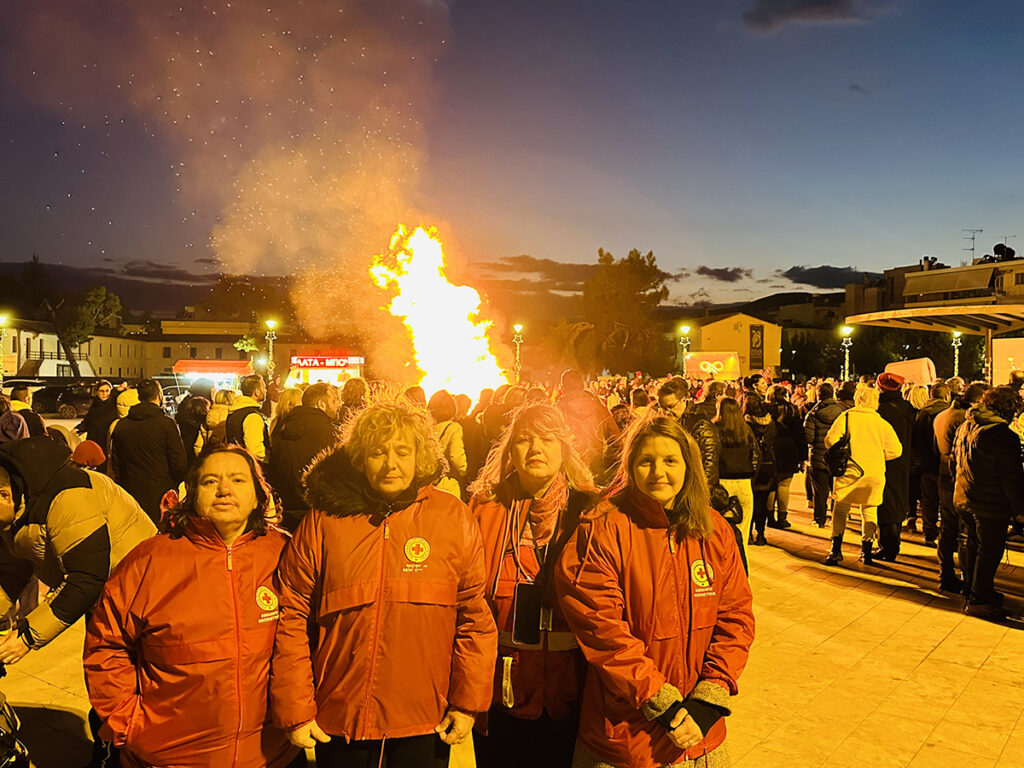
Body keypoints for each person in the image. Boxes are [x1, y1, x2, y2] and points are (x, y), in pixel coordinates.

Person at [269, 399, 497, 767]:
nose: (391, 463)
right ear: (360, 458)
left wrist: (468, 703)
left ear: (419, 455)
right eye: (378, 452)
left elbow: (474, 616)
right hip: (340, 718)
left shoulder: (452, 516)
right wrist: (295, 707)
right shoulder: (326, 520)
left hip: (426, 718)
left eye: (402, 451)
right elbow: (291, 614)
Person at [555, 416, 754, 768]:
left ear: (688, 465)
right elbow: (601, 629)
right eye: (646, 461)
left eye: (670, 461)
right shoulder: (603, 529)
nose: (658, 472)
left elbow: (736, 616)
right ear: (631, 466)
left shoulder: (714, 529)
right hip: (625, 735)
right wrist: (661, 700)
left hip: (698, 735)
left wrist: (709, 698)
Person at [84, 446, 300, 767]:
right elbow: (106, 647)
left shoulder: (286, 553)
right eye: (211, 481)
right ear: (192, 494)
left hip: (270, 754)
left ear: (258, 496)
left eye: (238, 480)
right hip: (169, 756)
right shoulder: (150, 560)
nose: (224, 489)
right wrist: (128, 724)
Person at [469, 404, 598, 768]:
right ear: (510, 452)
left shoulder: (590, 511)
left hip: (571, 694)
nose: (535, 448)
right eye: (524, 440)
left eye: (546, 439)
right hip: (503, 691)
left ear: (564, 448)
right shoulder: (485, 510)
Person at [0, 436, 156, 659]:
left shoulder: (70, 497)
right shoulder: (14, 513)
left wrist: (27, 636)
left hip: (142, 597)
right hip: (104, 602)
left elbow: (86, 577)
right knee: (103, 675)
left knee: (129, 676)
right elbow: (10, 571)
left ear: (5, 495)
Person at [951, 386, 1024, 619]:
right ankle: (979, 600)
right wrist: (1020, 509)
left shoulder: (967, 425)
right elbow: (1011, 478)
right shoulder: (1003, 436)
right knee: (989, 551)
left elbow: (954, 461)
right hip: (990, 503)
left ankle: (973, 590)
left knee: (971, 545)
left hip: (964, 495)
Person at [823, 386, 902, 566]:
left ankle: (836, 550)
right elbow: (896, 450)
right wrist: (878, 456)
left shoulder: (847, 417)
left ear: (857, 398)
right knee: (869, 510)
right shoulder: (881, 423)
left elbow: (829, 441)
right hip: (874, 472)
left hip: (851, 470)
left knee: (841, 508)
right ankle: (866, 551)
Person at [934, 382, 988, 593]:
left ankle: (946, 573)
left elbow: (934, 447)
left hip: (942, 475)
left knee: (947, 530)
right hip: (958, 478)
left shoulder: (943, 415)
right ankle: (967, 580)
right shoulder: (965, 419)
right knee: (965, 533)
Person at [109, 379, 189, 523]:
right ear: (159, 395)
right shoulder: (166, 424)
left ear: (139, 397)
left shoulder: (122, 425)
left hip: (130, 492)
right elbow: (179, 462)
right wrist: (175, 483)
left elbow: (116, 463)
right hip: (161, 494)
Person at [268, 382, 341, 531]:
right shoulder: (327, 431)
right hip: (314, 510)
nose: (338, 405)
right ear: (321, 404)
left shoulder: (283, 426)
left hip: (285, 507)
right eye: (334, 401)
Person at [875, 373, 915, 561]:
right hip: (904, 461)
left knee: (884, 502)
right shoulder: (908, 408)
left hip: (883, 460)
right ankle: (894, 540)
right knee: (899, 499)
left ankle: (887, 545)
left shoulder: (879, 410)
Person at [556, 369, 621, 483]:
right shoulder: (598, 407)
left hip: (570, 468)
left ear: (563, 387)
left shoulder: (558, 410)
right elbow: (616, 437)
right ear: (582, 384)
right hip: (597, 465)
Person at [715, 397, 760, 544]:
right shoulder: (745, 430)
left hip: (721, 483)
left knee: (720, 532)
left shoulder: (715, 430)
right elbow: (756, 456)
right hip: (744, 482)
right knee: (743, 530)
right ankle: (742, 563)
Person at [909, 383, 950, 543]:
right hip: (944, 463)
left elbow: (916, 439)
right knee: (945, 501)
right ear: (946, 396)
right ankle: (946, 532)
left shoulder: (922, 414)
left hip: (926, 464)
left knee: (928, 499)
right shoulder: (949, 413)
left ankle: (929, 530)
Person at [803, 382, 847, 528]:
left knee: (820, 491)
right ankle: (837, 518)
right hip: (838, 456)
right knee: (837, 490)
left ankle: (819, 519)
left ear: (818, 395)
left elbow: (808, 437)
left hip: (818, 456)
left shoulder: (812, 414)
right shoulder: (843, 412)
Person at [767, 385, 805, 529]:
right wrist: (802, 455)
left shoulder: (767, 409)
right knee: (784, 485)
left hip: (771, 447)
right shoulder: (792, 409)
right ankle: (782, 517)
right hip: (789, 448)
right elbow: (799, 433)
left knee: (770, 485)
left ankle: (769, 517)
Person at [744, 399, 776, 546]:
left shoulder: (745, 425)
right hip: (767, 464)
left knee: (750, 501)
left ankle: (749, 533)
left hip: (750, 465)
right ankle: (761, 534)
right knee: (762, 502)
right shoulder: (771, 424)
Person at [227, 374, 270, 464]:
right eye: (264, 387)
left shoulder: (235, 412)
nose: (266, 390)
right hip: (250, 467)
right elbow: (255, 451)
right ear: (257, 392)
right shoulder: (252, 416)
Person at [76, 380, 118, 471]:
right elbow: (88, 421)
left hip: (107, 441)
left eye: (107, 391)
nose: (104, 394)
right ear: (97, 392)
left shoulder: (114, 405)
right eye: (101, 391)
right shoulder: (94, 405)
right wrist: (77, 429)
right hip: (95, 440)